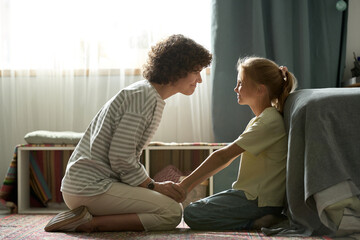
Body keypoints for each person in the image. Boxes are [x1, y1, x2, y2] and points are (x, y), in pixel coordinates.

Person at [44, 34, 212, 232]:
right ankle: (87, 223)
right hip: (90, 188)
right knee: (172, 212)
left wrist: (152, 187)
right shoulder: (144, 98)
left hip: (91, 187)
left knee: (167, 205)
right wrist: (153, 186)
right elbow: (121, 157)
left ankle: (88, 215)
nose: (200, 79)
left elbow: (123, 158)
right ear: (178, 68)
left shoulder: (146, 95)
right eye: (196, 71)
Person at [178, 56, 297, 230]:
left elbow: (224, 156)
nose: (235, 89)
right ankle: (261, 218)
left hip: (258, 200)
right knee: (197, 208)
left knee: (192, 213)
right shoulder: (262, 119)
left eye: (240, 83)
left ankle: (257, 222)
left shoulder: (268, 121)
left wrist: (185, 185)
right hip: (252, 196)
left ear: (260, 90)